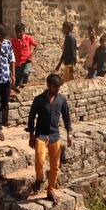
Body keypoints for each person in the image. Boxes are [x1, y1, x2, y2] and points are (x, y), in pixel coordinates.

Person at [26, 73, 74, 201]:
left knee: (55, 166)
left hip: (54, 135)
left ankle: (50, 191)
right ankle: (40, 179)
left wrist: (69, 133)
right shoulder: (38, 100)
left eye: (59, 88)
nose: (57, 90)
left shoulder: (61, 100)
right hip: (41, 134)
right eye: (55, 87)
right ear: (48, 86)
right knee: (40, 160)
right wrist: (31, 134)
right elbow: (31, 117)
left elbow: (66, 117)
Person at [12, 23, 38, 89]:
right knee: (18, 82)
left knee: (25, 73)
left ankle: (24, 88)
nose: (18, 34)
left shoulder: (28, 38)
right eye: (17, 32)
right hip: (18, 63)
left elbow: (36, 46)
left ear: (23, 31)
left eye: (20, 32)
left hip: (27, 61)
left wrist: (31, 55)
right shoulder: (13, 41)